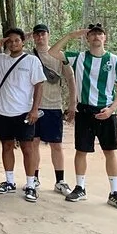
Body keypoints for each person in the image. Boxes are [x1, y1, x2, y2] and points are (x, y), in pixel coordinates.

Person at [48, 24, 117, 210]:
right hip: (84, 111)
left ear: (105, 38)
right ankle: (80, 188)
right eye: (92, 34)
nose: (96, 37)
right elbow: (53, 52)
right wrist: (71, 35)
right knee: (81, 150)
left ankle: (115, 192)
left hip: (106, 111)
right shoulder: (79, 57)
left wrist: (111, 109)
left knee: (109, 151)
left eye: (99, 34)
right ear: (87, 38)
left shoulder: (115, 61)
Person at [0, 28, 46, 203]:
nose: (13, 43)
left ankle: (30, 184)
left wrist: (34, 109)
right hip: (3, 110)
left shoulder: (32, 61)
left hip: (24, 111)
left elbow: (39, 86)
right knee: (7, 146)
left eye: (17, 40)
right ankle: (9, 181)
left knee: (27, 148)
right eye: (10, 40)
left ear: (23, 42)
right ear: (5, 43)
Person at [30, 24, 76, 196]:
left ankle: (60, 181)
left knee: (56, 144)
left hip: (54, 105)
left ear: (48, 35)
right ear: (33, 37)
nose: (40, 37)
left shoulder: (58, 55)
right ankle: (34, 178)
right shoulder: (29, 56)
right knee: (33, 143)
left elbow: (70, 78)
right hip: (34, 105)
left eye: (43, 34)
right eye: (37, 34)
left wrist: (72, 104)